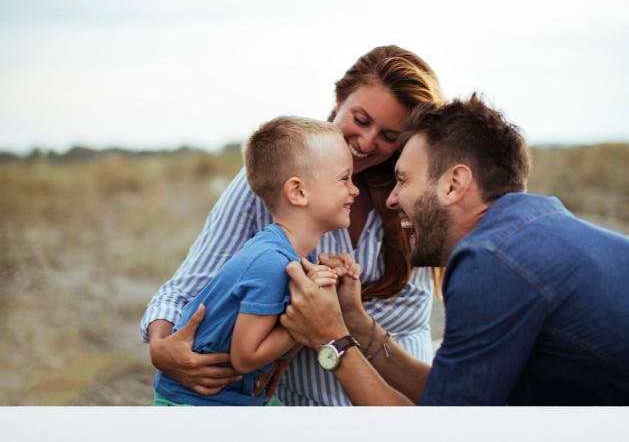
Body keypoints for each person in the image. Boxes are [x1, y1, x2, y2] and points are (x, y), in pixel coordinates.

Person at [140, 45, 445, 405]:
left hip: (399, 411)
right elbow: (189, 288)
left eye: (389, 137)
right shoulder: (277, 180)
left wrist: (330, 325)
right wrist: (162, 347)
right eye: (361, 120)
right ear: (339, 99)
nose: (366, 142)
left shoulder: (415, 198)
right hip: (301, 412)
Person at [280, 94, 629, 405]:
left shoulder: (490, 261)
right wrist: (356, 325)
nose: (392, 199)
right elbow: (449, 398)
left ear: (453, 184)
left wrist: (331, 339)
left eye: (403, 180)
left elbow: (443, 430)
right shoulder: (531, 235)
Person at [152, 116, 360, 405]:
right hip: (195, 403)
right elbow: (245, 357)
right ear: (298, 192)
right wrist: (304, 323)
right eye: (344, 179)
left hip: (236, 397)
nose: (354, 189)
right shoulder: (269, 263)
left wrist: (330, 283)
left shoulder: (298, 253)